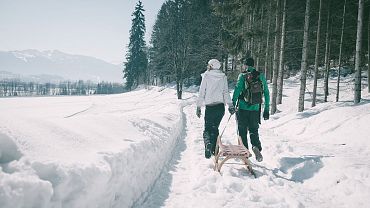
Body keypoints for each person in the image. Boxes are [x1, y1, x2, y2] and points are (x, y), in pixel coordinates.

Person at [232, 57, 270, 162]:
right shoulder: (260, 76)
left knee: (242, 131)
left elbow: (237, 90)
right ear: (254, 65)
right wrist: (266, 109)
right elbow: (266, 92)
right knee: (254, 130)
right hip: (255, 109)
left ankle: (244, 153)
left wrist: (233, 103)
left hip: (243, 108)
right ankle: (256, 147)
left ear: (245, 65)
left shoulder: (242, 76)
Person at [196, 59, 235, 159]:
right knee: (215, 128)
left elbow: (201, 92)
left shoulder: (206, 76)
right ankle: (214, 149)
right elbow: (226, 92)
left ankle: (208, 144)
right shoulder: (223, 77)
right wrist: (230, 105)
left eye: (209, 65)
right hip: (220, 108)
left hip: (210, 107)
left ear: (211, 66)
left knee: (207, 129)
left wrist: (198, 106)